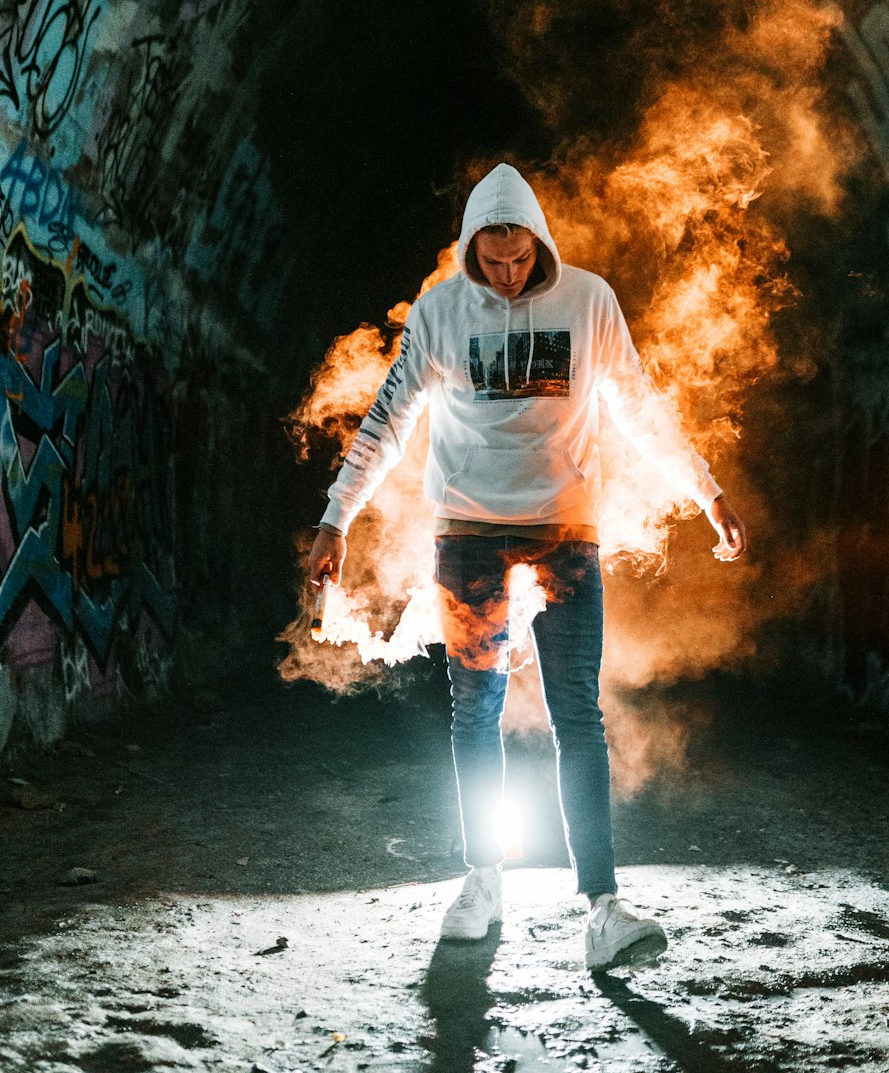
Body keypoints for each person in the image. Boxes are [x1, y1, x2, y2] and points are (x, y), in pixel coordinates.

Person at [308, 163, 745, 971]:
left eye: (518, 259)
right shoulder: (441, 311)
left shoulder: (588, 300)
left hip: (564, 535)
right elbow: (388, 420)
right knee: (474, 710)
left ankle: (603, 908)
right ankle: (481, 882)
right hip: (468, 538)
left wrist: (707, 493)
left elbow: (640, 404)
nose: (506, 275)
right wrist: (337, 516)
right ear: (472, 248)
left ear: (538, 244)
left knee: (578, 714)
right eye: (491, 260)